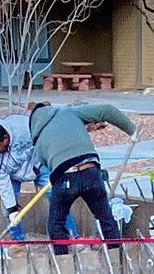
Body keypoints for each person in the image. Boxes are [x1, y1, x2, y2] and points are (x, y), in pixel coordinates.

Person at [27, 101, 137, 255]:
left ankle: (62, 262)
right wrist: (132, 130)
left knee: (56, 224)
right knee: (106, 218)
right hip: (90, 171)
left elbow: (46, 164)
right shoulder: (68, 112)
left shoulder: (38, 141)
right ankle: (116, 258)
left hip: (64, 177)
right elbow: (106, 109)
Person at [0, 116, 46, 241]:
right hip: (12, 173)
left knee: (58, 197)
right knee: (8, 208)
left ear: (6, 138)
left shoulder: (26, 130)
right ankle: (18, 241)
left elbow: (47, 143)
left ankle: (70, 236)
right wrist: (12, 209)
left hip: (39, 164)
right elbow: (0, 179)